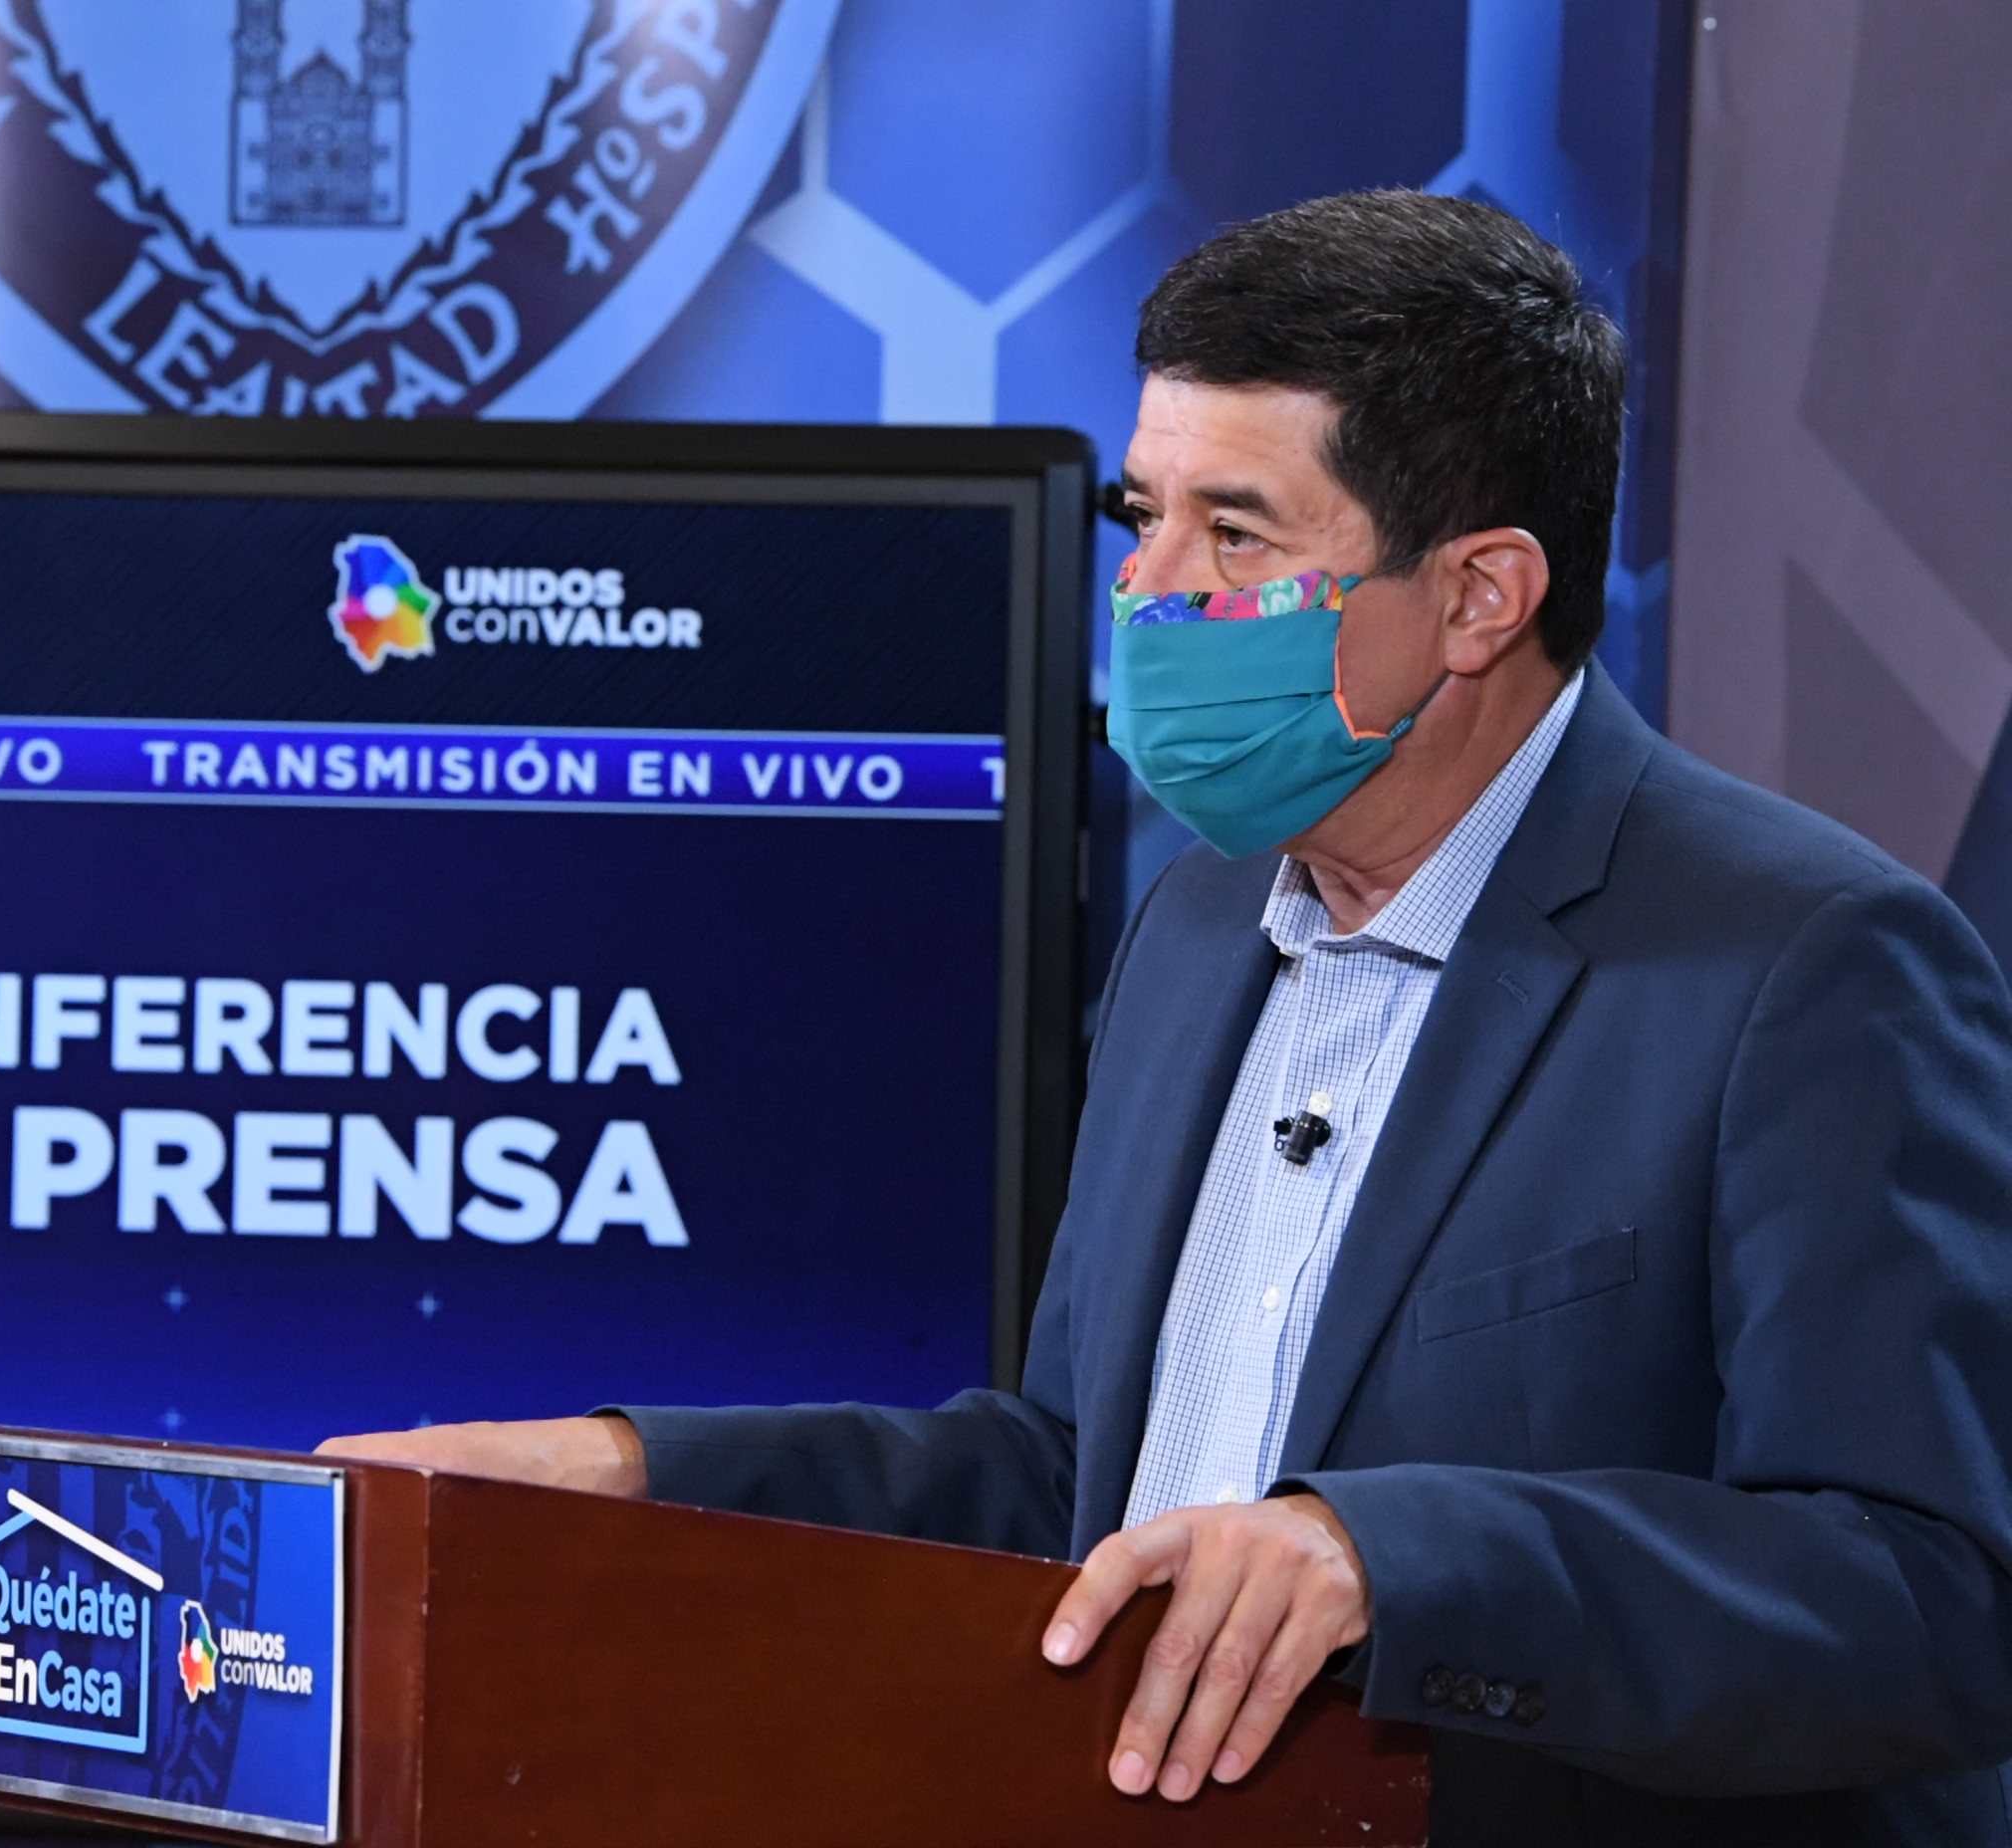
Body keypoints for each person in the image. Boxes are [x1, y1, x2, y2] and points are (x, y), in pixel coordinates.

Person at [319, 189, 2012, 1845]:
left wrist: (1392, 1560)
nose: (1147, 594)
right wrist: (625, 1480)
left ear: (1480, 594)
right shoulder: (1202, 921)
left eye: (1236, 536)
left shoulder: (1813, 967)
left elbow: (1930, 1597)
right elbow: (1076, 1482)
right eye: (1146, 517)